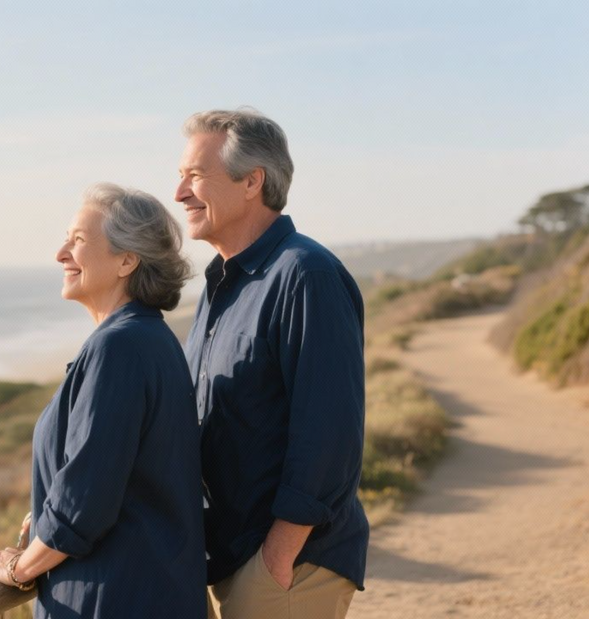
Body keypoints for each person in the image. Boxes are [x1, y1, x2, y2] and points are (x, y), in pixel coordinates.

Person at [0, 182, 207, 618]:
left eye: (78, 240)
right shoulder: (150, 338)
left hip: (113, 599)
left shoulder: (119, 347)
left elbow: (84, 504)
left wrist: (18, 567)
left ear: (126, 260)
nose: (61, 253)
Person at [175, 109, 368, 619]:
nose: (179, 193)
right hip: (232, 557)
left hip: (288, 564)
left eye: (195, 176)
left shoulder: (306, 274)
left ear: (252, 182)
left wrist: (278, 558)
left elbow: (330, 432)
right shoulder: (219, 286)